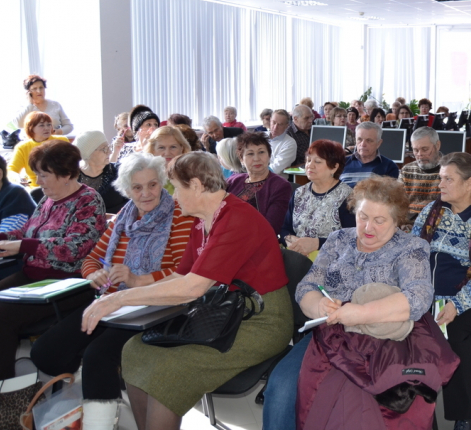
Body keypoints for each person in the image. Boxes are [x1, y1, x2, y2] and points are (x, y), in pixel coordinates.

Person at [79, 152, 292, 430]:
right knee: (133, 351)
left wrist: (118, 298)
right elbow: (180, 276)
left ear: (196, 185)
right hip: (225, 311)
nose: (174, 197)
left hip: (261, 321)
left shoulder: (236, 218)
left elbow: (192, 288)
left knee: (172, 369)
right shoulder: (202, 220)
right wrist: (122, 297)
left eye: (177, 188)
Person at [264, 176, 447, 430]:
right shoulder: (339, 239)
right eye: (362, 217)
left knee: (351, 406)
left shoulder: (411, 247)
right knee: (281, 387)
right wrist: (319, 306)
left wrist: (360, 313)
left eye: (380, 220)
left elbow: (418, 297)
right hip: (329, 334)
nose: (368, 227)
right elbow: (307, 286)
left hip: (383, 340)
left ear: (397, 220)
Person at [30, 153, 192, 430]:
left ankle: (99, 419)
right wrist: (94, 273)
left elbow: (182, 273)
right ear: (127, 190)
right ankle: (100, 400)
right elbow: (91, 259)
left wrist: (140, 278)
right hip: (114, 302)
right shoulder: (123, 217)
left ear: (162, 183)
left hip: (157, 307)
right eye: (137, 188)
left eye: (152, 185)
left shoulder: (180, 215)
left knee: (98, 357)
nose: (146, 193)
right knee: (46, 351)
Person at [0, 141, 106, 415]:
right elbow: (28, 231)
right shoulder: (48, 198)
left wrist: (24, 246)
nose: (37, 180)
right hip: (33, 275)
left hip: (68, 282)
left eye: (43, 174)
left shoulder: (88, 200)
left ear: (65, 174)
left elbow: (75, 248)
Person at [412, 152, 471, 430]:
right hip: (428, 291)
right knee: (406, 330)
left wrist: (455, 304)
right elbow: (411, 253)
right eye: (440, 178)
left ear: (469, 184)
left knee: (454, 334)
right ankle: (418, 411)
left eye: (448, 179)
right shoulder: (432, 212)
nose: (440, 184)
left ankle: (462, 415)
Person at [281, 140, 354, 258]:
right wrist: (290, 240)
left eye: (318, 161)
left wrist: (316, 243)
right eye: (308, 160)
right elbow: (285, 228)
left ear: (334, 167)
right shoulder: (299, 192)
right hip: (296, 257)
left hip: (330, 261)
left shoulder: (347, 196)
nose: (310, 165)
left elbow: (352, 238)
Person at [226, 132, 292, 235]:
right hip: (226, 235)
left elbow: (271, 227)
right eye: (250, 153)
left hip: (257, 241)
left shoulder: (280, 186)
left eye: (261, 152)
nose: (257, 159)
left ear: (269, 156)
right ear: (241, 159)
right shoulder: (232, 182)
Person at [7, 112, 69, 188]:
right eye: (41, 125)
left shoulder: (62, 141)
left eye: (49, 124)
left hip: (62, 185)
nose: (47, 128)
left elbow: (73, 164)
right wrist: (18, 179)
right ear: (31, 128)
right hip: (36, 188)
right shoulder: (23, 147)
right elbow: (11, 170)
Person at [75, 131, 128, 215]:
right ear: (88, 153)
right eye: (104, 149)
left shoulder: (119, 171)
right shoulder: (73, 178)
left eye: (109, 147)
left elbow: (131, 204)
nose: (110, 152)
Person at [399, 127, 443, 222]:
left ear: (437, 145)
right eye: (415, 150)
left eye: (425, 149)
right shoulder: (407, 170)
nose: (420, 154)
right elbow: (398, 204)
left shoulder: (450, 170)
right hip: (408, 224)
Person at [339, 122, 400, 187]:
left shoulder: (389, 166)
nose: (362, 144)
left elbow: (390, 195)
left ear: (379, 143)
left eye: (369, 140)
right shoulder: (342, 163)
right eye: (359, 139)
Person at [145, 125, 192, 191]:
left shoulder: (191, 174)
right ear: (153, 150)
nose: (167, 153)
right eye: (161, 148)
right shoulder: (144, 175)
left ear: (182, 148)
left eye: (173, 147)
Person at [266, 109, 297, 174]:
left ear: (286, 126)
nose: (275, 127)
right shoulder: (261, 137)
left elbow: (274, 169)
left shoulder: (289, 143)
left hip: (275, 181)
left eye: (280, 124)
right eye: (274, 122)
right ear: (270, 120)